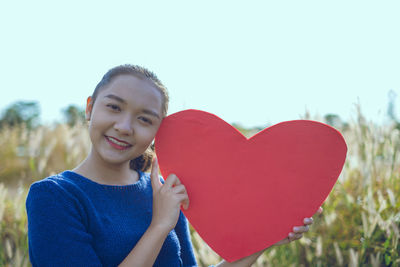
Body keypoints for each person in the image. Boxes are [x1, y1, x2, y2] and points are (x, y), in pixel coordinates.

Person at [26, 64, 321, 267]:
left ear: (158, 132)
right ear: (90, 107)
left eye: (145, 119)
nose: (125, 126)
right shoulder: (54, 197)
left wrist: (265, 236)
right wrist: (159, 225)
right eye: (114, 107)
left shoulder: (163, 191)